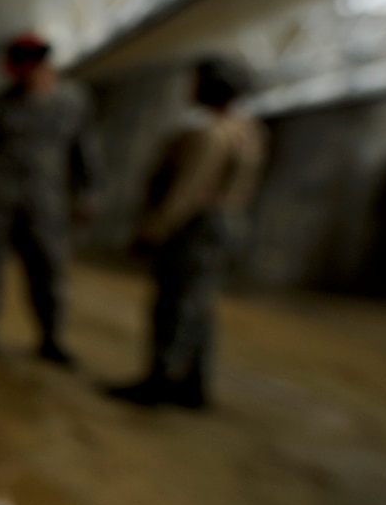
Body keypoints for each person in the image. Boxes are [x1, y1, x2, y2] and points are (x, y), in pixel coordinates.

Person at [109, 56, 268, 409]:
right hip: (227, 224)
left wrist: (154, 230)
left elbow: (189, 190)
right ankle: (192, 385)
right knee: (199, 306)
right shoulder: (249, 131)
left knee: (175, 304)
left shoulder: (210, 134)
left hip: (197, 226)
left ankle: (160, 380)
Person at [0, 31, 101, 363]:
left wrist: (90, 193)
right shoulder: (1, 102)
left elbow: (86, 152)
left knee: (48, 268)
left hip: (44, 199)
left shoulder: (72, 101)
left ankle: (51, 337)